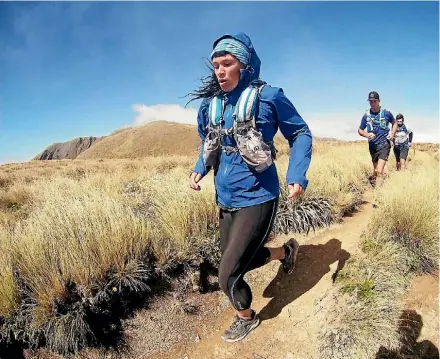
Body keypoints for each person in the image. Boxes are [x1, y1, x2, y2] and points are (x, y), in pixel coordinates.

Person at [186, 32, 313, 342]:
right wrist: (199, 168)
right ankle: (286, 251)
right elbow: (208, 140)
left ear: (244, 65)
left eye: (227, 64)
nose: (219, 70)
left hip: (259, 196)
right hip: (226, 196)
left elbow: (301, 133)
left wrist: (297, 175)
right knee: (244, 257)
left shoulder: (268, 96)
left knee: (227, 273)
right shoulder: (211, 104)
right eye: (216, 65)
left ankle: (247, 318)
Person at [358, 91, 397, 188]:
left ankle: (378, 195)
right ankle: (373, 183)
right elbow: (360, 130)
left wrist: (392, 133)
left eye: (374, 101)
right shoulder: (366, 115)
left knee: (379, 171)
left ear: (378, 101)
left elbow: (394, 123)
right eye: (370, 101)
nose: (372, 103)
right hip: (373, 146)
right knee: (375, 170)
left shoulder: (386, 113)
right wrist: (367, 135)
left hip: (384, 144)